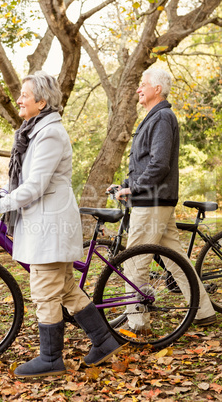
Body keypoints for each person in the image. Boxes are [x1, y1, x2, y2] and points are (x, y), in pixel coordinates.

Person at [0, 71, 122, 378]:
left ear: (42, 101)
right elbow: (31, 180)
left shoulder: (48, 133)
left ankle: (50, 358)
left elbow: (35, 185)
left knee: (46, 292)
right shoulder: (36, 131)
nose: (19, 99)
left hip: (48, 226)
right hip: (47, 223)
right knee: (64, 287)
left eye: (25, 95)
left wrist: (5, 203)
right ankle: (103, 341)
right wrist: (6, 193)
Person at [108, 68, 216, 333]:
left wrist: (134, 188)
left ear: (157, 88)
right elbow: (145, 163)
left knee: (135, 262)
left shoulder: (163, 117)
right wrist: (124, 185)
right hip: (155, 201)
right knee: (175, 259)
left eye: (143, 85)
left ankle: (136, 324)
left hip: (152, 203)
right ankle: (204, 312)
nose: (138, 89)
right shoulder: (155, 117)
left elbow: (159, 164)